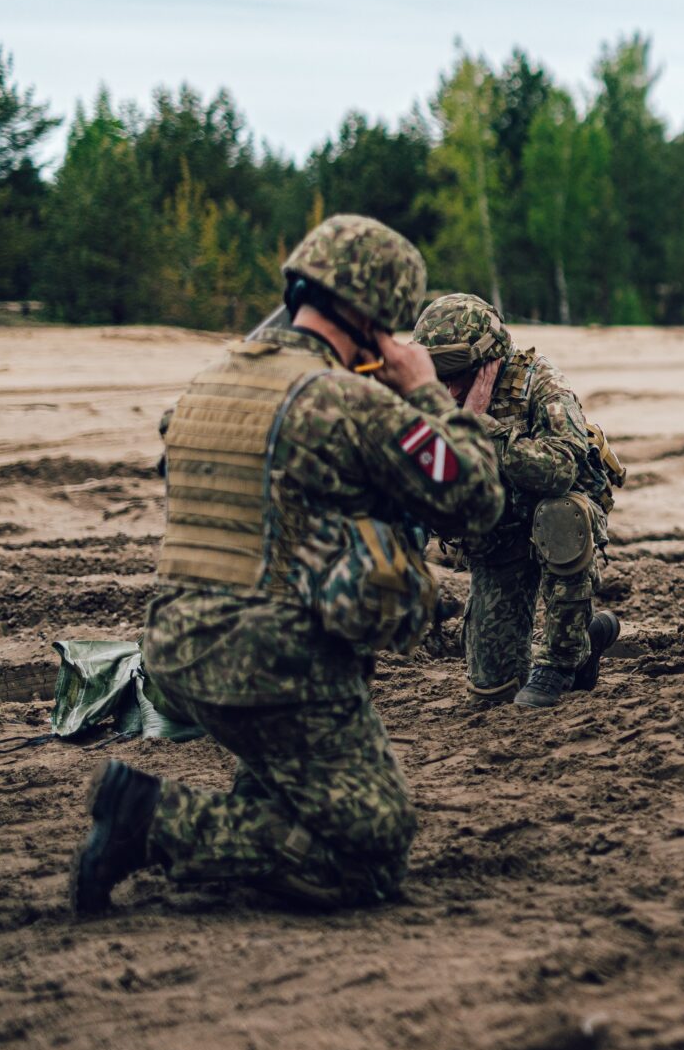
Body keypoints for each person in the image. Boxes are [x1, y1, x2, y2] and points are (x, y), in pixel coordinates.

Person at [70, 215, 504, 915]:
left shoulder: (211, 382)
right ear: (371, 318)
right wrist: (426, 393)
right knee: (371, 852)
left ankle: (258, 799)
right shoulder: (341, 399)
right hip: (269, 664)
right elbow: (475, 497)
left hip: (176, 651)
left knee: (298, 764)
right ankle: (149, 821)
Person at [410, 293, 623, 709]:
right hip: (497, 538)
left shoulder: (539, 382)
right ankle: (588, 640)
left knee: (562, 514)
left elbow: (561, 470)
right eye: (437, 376)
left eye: (458, 374)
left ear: (489, 362)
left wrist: (481, 430)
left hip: (555, 520)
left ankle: (560, 664)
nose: (448, 388)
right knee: (493, 691)